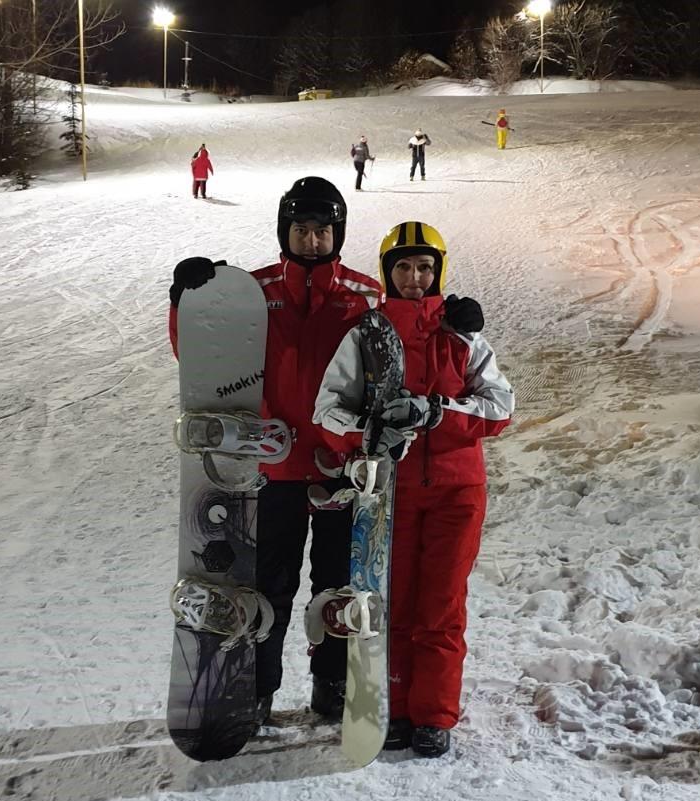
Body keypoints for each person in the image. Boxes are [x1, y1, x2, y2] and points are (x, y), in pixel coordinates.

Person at [168, 177, 383, 724]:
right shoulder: (252, 293)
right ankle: (257, 686)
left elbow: (399, 363)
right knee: (269, 586)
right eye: (301, 230)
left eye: (323, 231)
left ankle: (332, 682)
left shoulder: (365, 297)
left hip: (341, 469)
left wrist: (446, 321)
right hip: (271, 469)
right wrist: (186, 302)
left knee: (337, 584)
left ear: (338, 234)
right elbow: (202, 358)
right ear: (285, 230)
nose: (312, 241)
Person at [313, 221, 514, 758]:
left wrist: (437, 412)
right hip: (389, 492)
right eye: (403, 267)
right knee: (393, 603)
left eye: (426, 267)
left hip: (456, 491)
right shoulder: (367, 334)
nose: (415, 277)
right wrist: (368, 432)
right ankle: (397, 706)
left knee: (441, 605)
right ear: (387, 272)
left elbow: (499, 407)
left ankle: (434, 714)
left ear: (439, 271)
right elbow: (326, 410)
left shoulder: (462, 335)